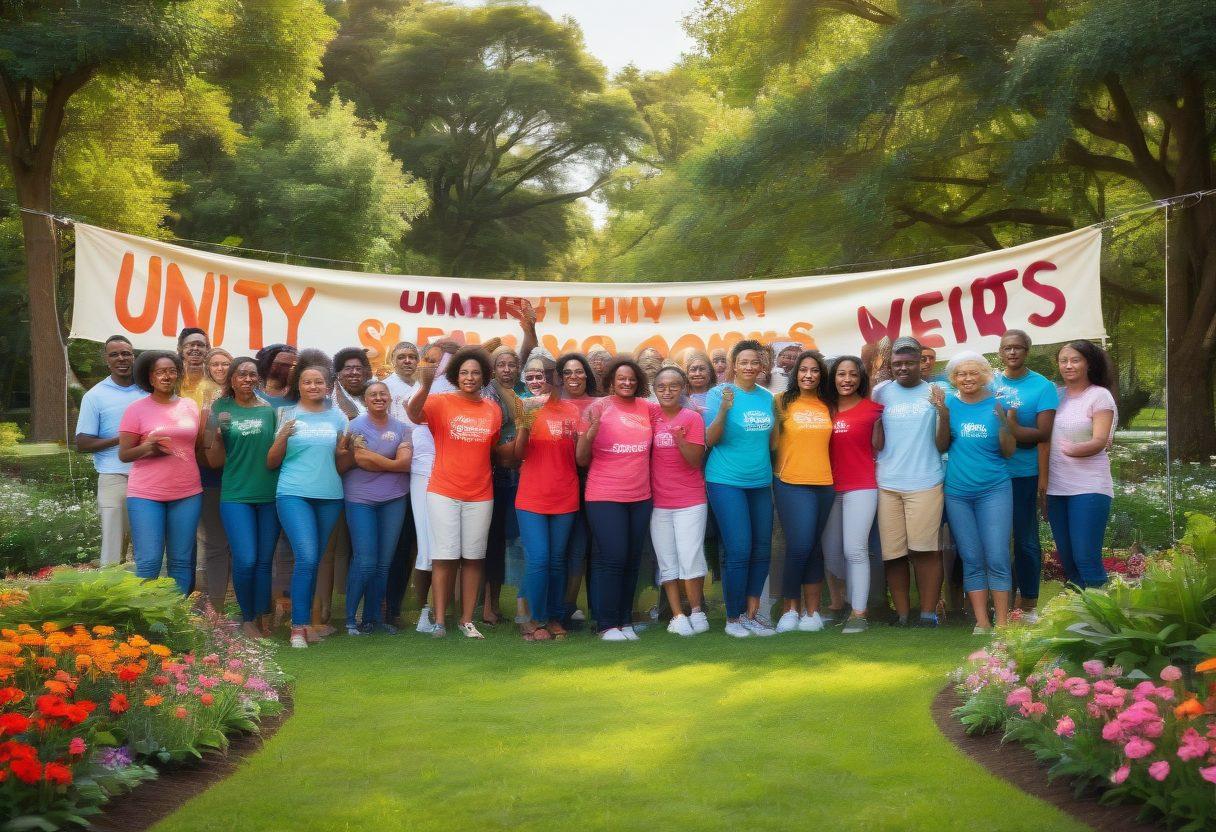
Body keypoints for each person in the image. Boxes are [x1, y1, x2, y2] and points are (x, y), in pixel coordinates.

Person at [408, 347, 508, 639]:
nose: (470, 377)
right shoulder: (439, 401)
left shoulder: (492, 408)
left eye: (476, 372)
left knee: (474, 557)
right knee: (444, 556)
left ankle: (466, 620)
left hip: (480, 492)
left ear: (484, 377)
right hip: (443, 490)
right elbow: (414, 415)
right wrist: (425, 384)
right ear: (455, 376)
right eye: (464, 372)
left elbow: (490, 447)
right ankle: (439, 621)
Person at [267, 350, 351, 649]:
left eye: (319, 382)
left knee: (314, 560)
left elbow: (341, 463)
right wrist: (281, 437)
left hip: (329, 495)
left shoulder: (338, 416)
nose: (313, 387)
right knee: (307, 555)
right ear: (298, 385)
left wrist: (345, 451)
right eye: (307, 382)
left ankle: (309, 621)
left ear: (328, 386)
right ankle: (298, 627)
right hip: (293, 493)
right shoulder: (286, 415)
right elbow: (271, 462)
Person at [932, 351, 1015, 634]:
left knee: (997, 556)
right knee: (971, 556)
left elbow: (1008, 451)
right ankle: (981, 622)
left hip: (994, 489)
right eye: (960, 374)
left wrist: (1005, 422)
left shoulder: (998, 404)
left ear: (984, 375)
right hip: (958, 492)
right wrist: (943, 414)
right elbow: (941, 446)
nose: (967, 378)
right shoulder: (950, 403)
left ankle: (1002, 622)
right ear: (953, 378)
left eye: (973, 373)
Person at [578, 357, 659, 641]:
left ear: (638, 383)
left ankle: (624, 621)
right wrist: (589, 434)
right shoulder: (597, 407)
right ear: (611, 381)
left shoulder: (647, 408)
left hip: (640, 495)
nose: (627, 383)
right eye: (621, 378)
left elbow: (675, 412)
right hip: (604, 495)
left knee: (632, 559)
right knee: (613, 558)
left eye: (632, 379)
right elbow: (581, 457)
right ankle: (606, 624)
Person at [703, 340, 776, 638]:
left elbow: (773, 442)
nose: (749, 367)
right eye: (743, 361)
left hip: (760, 481)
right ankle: (733, 618)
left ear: (761, 366)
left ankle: (752, 615)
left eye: (754, 362)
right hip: (725, 481)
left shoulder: (768, 397)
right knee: (739, 548)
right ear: (733, 365)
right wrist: (723, 409)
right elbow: (711, 439)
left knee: (761, 549)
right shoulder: (718, 393)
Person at [204, 357, 280, 638]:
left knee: (263, 560)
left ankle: (262, 615)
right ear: (232, 380)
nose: (247, 379)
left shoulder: (269, 411)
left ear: (257, 379)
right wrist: (216, 434)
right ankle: (246, 617)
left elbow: (276, 452)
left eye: (252, 375)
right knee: (246, 558)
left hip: (269, 493)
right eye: (241, 375)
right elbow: (212, 458)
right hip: (236, 494)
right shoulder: (220, 408)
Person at [117, 350, 203, 594]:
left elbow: (194, 446)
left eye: (172, 371)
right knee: (149, 561)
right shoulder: (136, 409)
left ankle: (176, 620)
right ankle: (143, 621)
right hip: (146, 494)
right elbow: (124, 454)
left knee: (181, 561)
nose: (167, 376)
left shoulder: (189, 406)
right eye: (160, 371)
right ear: (150, 378)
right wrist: (147, 448)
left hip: (187, 492)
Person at [873, 337, 945, 628]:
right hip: (887, 482)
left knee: (925, 550)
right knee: (894, 553)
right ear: (891, 365)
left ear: (922, 363)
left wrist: (943, 411)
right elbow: (876, 438)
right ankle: (903, 614)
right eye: (897, 364)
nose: (903, 368)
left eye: (909, 363)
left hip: (926, 480)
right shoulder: (881, 393)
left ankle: (928, 613)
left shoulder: (935, 392)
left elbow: (942, 443)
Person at [513, 350, 581, 640]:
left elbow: (579, 455)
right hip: (531, 497)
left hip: (565, 494)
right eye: (533, 376)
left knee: (556, 560)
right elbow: (517, 456)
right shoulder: (524, 406)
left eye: (547, 375)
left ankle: (554, 617)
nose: (541, 381)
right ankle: (534, 620)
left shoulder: (572, 411)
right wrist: (524, 426)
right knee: (539, 559)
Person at [993, 329, 1057, 620]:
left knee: (1025, 538)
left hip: (1024, 473)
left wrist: (1014, 429)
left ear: (1027, 351)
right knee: (994, 539)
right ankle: (1000, 601)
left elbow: (1044, 433)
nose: (1013, 353)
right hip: (991, 473)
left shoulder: (1042, 386)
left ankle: (1029, 603)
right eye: (1007, 348)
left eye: (1018, 348)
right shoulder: (990, 382)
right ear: (1000, 352)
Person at [1043, 340, 1117, 589]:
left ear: (1089, 363)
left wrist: (1071, 450)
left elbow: (1100, 440)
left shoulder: (1099, 395)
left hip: (1089, 488)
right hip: (1056, 488)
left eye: (1075, 360)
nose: (1068, 365)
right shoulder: (1055, 395)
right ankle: (1078, 620)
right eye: (1063, 361)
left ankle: (1101, 619)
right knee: (1069, 560)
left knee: (1086, 557)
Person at [771, 350, 835, 633]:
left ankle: (813, 613)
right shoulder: (781, 402)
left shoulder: (828, 405)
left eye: (815, 370)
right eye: (803, 370)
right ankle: (790, 610)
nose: (808, 375)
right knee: (799, 546)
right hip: (790, 481)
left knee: (814, 547)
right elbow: (770, 443)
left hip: (824, 483)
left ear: (821, 375)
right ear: (795, 373)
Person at [342, 381, 412, 636]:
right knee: (365, 561)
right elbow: (360, 459)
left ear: (390, 398)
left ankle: (374, 619)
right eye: (373, 394)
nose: (379, 397)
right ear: (365, 399)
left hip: (394, 497)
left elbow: (405, 463)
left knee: (384, 564)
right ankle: (351, 619)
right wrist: (392, 462)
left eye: (383, 393)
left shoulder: (403, 429)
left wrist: (376, 460)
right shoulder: (354, 426)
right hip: (360, 498)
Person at [821, 355, 883, 634]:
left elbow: (881, 447)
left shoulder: (874, 409)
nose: (846, 380)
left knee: (854, 550)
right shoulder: (823, 409)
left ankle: (859, 613)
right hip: (825, 486)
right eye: (841, 374)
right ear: (832, 378)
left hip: (861, 485)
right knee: (831, 552)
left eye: (852, 375)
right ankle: (842, 602)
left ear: (860, 378)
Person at [649, 366, 709, 637]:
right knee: (667, 561)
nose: (667, 391)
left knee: (691, 557)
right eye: (662, 386)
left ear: (683, 388)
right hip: (658, 502)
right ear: (654, 389)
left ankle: (696, 611)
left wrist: (681, 440)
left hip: (690, 501)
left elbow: (695, 461)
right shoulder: (650, 416)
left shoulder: (692, 418)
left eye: (674, 386)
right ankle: (677, 615)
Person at [75, 336, 145, 566]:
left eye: (126, 353)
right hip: (113, 476)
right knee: (113, 545)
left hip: (148, 474)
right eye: (114, 354)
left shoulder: (147, 390)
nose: (121, 358)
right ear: (106, 360)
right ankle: (111, 593)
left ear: (133, 356)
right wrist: (121, 439)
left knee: (147, 544)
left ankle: (149, 596)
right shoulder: (95, 396)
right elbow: (83, 443)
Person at [176, 328, 229, 611]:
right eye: (190, 345)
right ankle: (179, 601)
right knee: (182, 538)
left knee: (212, 538)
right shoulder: (172, 382)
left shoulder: (216, 389)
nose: (195, 349)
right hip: (176, 468)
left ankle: (211, 606)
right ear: (181, 349)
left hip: (211, 468)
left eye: (201, 345)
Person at [554, 352, 599, 626]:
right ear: (560, 378)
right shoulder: (553, 405)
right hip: (560, 480)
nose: (574, 377)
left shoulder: (600, 404)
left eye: (579, 371)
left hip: (596, 480)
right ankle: (563, 608)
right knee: (567, 549)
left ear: (587, 375)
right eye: (568, 372)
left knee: (590, 549)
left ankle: (593, 610)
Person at [332, 347, 371, 418]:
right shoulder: (330, 400)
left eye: (358, 368)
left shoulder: (373, 391)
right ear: (338, 374)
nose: (354, 372)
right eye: (348, 368)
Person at [256, 344, 298, 408]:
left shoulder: (300, 395)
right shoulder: (251, 392)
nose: (291, 369)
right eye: (284, 365)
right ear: (267, 364)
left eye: (294, 366)